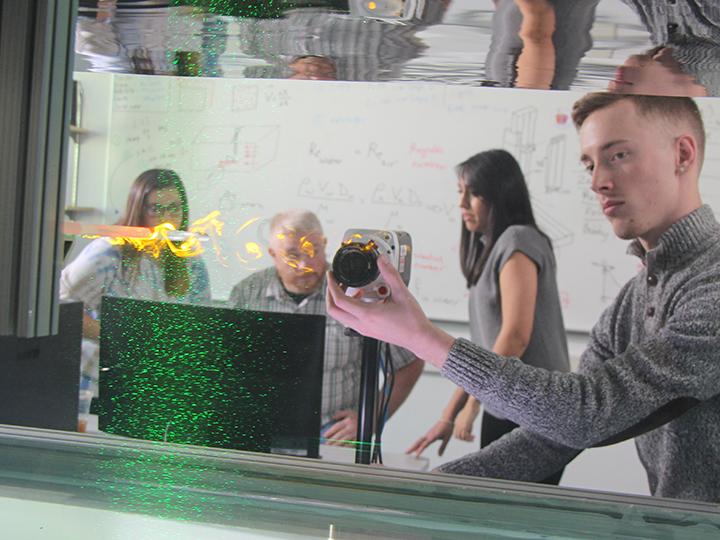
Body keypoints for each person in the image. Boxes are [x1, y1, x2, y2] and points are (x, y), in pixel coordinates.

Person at [326, 93, 720, 503]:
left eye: (618, 155)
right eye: (589, 164)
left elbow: (584, 414)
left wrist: (420, 337)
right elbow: (552, 440)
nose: (598, 181)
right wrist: (417, 493)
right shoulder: (631, 302)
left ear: (683, 155)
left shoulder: (712, 284)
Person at [407, 149, 570, 486]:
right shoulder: (491, 246)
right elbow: (484, 350)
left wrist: (471, 406)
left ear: (500, 194)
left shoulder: (519, 239)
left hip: (533, 411)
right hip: (507, 404)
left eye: (475, 193)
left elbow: (515, 336)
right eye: (460, 191)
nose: (462, 203)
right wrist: (449, 415)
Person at [229, 209, 423, 445]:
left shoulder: (355, 294)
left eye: (313, 252)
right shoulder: (246, 295)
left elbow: (409, 363)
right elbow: (228, 370)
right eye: (292, 255)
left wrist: (369, 420)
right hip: (261, 432)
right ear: (273, 253)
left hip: (331, 435)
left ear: (324, 244)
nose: (304, 265)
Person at [60, 169, 211, 396]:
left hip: (159, 386)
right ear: (139, 210)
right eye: (156, 209)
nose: (167, 220)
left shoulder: (190, 260)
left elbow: (201, 324)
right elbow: (61, 310)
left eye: (174, 209)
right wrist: (121, 337)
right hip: (100, 384)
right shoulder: (109, 252)